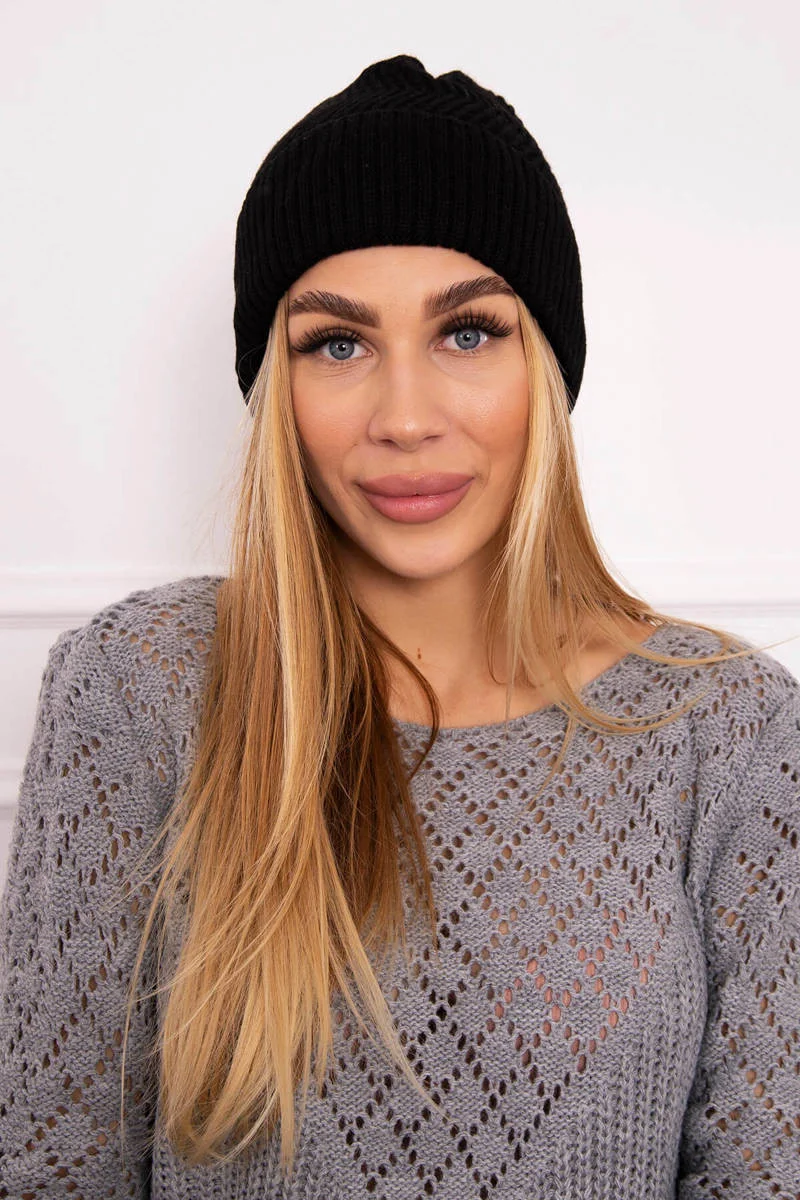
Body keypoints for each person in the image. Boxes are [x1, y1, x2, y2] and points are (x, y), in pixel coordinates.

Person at [1, 53, 798, 1200]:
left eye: (466, 333)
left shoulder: (733, 733)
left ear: (544, 365)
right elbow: (50, 1166)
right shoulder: (137, 690)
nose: (406, 417)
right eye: (338, 344)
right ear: (276, 391)